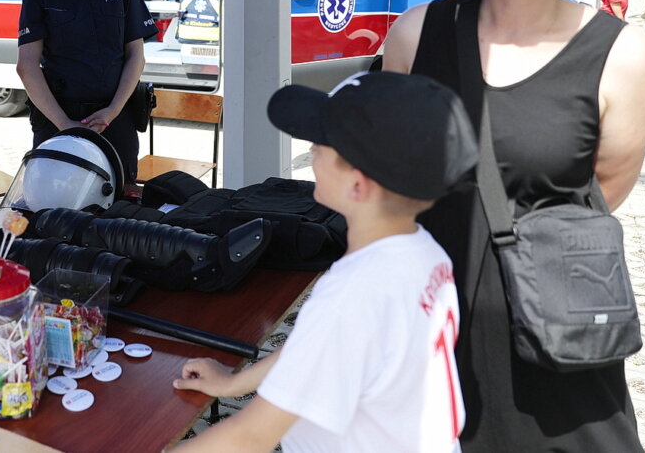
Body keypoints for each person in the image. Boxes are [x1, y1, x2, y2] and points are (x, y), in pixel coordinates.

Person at [382, 0, 645, 450]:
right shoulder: (413, 36)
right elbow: (394, 177)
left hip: (558, 340)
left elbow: (607, 188)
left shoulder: (623, 55)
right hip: (433, 331)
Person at [172, 71, 478, 452]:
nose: (311, 150)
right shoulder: (423, 251)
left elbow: (249, 437)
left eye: (321, 143)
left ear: (358, 184)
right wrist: (236, 383)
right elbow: (315, 347)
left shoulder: (352, 295)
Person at [15, 0, 158, 192]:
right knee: (54, 204)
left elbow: (136, 57)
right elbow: (27, 66)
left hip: (114, 119)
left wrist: (113, 111)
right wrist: (65, 124)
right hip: (58, 118)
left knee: (119, 203)